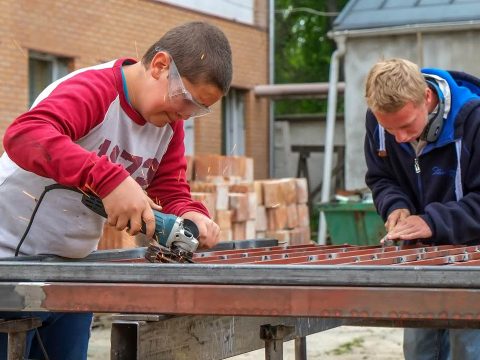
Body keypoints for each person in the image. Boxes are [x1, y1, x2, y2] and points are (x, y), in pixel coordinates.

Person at [0, 21, 231, 359]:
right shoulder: (94, 90)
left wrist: (189, 212)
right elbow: (25, 135)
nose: (183, 115)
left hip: (72, 273)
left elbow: (169, 185)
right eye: (185, 99)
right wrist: (109, 179)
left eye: (196, 109)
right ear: (160, 65)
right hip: (8, 263)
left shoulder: (168, 123)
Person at [364, 57, 480, 360]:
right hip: (422, 257)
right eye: (390, 130)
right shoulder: (380, 122)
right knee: (419, 350)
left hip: (474, 261)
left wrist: (433, 221)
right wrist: (395, 207)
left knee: (468, 348)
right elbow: (382, 178)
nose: (399, 138)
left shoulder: (474, 121)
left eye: (405, 126)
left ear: (426, 98)